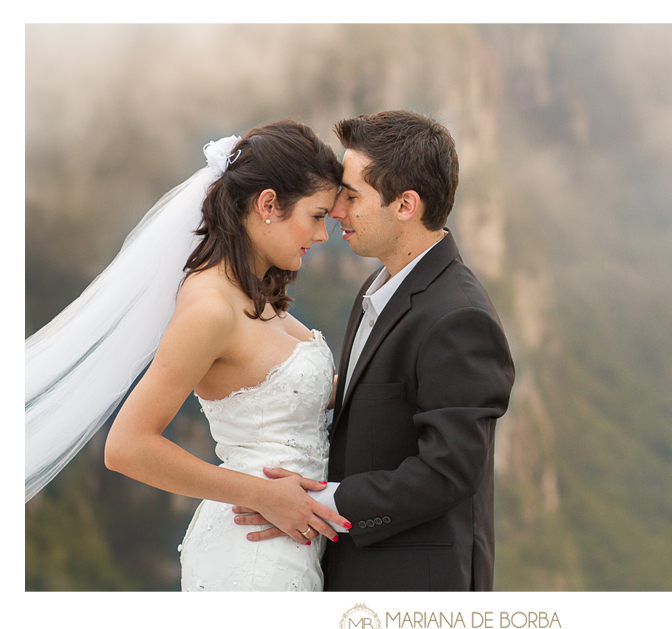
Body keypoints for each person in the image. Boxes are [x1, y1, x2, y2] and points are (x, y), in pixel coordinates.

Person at [25, 119, 352, 591]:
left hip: (292, 549)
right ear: (267, 204)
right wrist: (265, 495)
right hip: (252, 556)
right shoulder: (210, 308)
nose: (323, 235)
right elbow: (126, 446)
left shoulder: (257, 296)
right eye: (317, 215)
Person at [234, 110, 516, 590]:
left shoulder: (458, 317)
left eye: (351, 195)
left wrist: (325, 503)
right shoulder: (378, 288)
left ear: (405, 205)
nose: (337, 210)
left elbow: (450, 470)